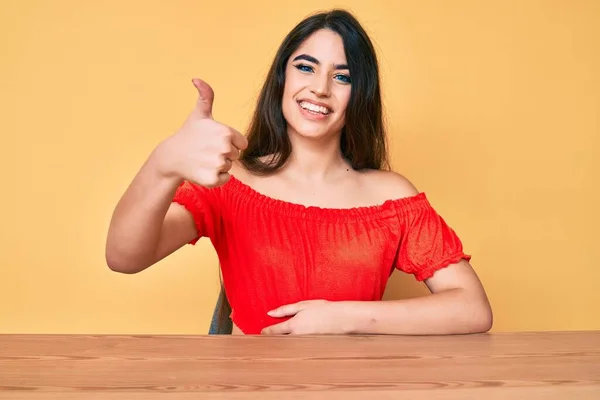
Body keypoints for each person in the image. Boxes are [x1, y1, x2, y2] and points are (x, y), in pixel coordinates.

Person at [105, 9, 493, 336]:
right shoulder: (229, 183)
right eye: (306, 67)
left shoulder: (390, 197)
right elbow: (124, 257)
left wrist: (342, 317)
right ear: (282, 80)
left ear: (360, 95)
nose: (320, 88)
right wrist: (163, 163)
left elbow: (473, 309)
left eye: (342, 77)